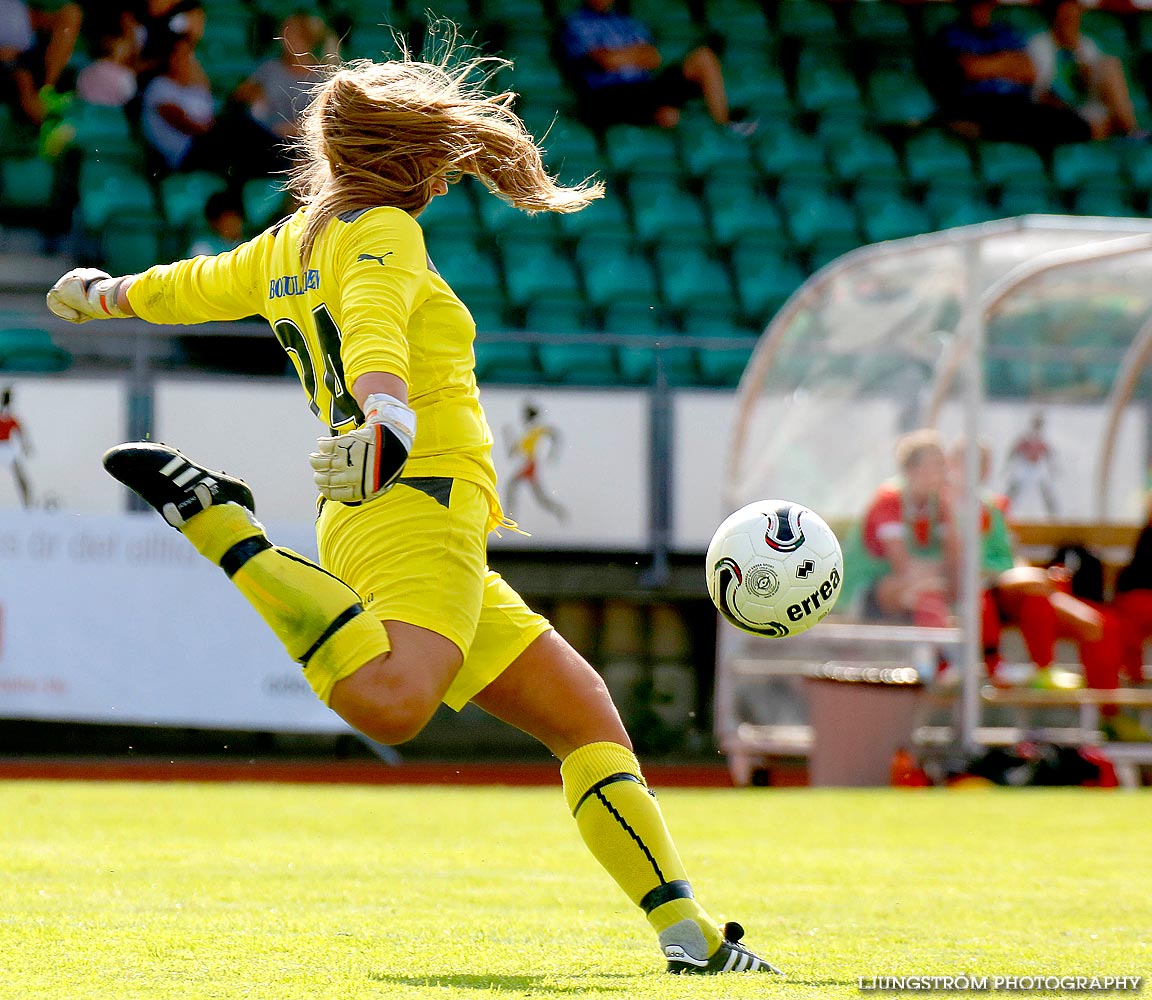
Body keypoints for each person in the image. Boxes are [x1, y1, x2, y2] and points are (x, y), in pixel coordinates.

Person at [46, 30, 778, 977]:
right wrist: (386, 417)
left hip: (387, 512)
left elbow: (187, 287)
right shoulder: (384, 230)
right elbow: (376, 325)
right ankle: (227, 530)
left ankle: (691, 943)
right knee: (392, 703)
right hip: (410, 493)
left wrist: (103, 295)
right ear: (406, 159)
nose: (443, 170)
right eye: (435, 152)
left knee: (583, 714)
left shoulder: (287, 246)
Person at [559, 0, 753, 134]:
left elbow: (653, 58)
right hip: (608, 93)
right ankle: (657, 113)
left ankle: (724, 123)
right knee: (667, 114)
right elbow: (605, 62)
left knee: (704, 57)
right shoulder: (577, 23)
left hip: (643, 87)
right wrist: (633, 55)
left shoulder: (627, 22)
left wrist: (619, 56)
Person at [928, 0, 1090, 146]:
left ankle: (985, 130)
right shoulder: (952, 34)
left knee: (1077, 126)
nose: (982, 11)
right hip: (979, 101)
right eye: (977, 6)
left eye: (986, 6)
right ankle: (979, 128)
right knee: (992, 116)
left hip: (1016, 102)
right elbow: (968, 69)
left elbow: (1029, 71)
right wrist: (1006, 62)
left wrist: (987, 64)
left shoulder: (1006, 32)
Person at [841, 429, 958, 628]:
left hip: (916, 589)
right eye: (935, 464)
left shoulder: (939, 505)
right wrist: (938, 571)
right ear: (911, 469)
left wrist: (950, 509)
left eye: (943, 464)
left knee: (935, 592)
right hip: (863, 594)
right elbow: (904, 567)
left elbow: (955, 566)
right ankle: (939, 651)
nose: (943, 472)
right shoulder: (889, 500)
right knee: (918, 590)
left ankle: (939, 653)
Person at [1028, 0, 1144, 141]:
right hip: (1055, 111)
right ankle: (1123, 130)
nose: (1070, 23)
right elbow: (1044, 92)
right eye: (1066, 17)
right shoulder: (1039, 44)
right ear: (1055, 19)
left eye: (1075, 18)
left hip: (1086, 106)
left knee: (1110, 64)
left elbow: (1093, 91)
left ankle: (1130, 129)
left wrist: (1078, 56)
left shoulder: (1086, 44)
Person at [0, 0, 82, 125]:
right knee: (23, 79)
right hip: (18, 61)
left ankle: (47, 91)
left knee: (72, 14)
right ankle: (44, 100)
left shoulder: (25, 42)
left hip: (28, 54)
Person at [504, 401, 566, 522]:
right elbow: (514, 451)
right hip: (527, 463)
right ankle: (557, 510)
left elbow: (554, 434)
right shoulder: (529, 431)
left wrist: (552, 453)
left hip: (528, 464)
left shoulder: (536, 429)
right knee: (539, 497)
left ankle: (509, 517)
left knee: (512, 487)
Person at [0, 386, 33, 508]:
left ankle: (28, 504)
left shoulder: (9, 417)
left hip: (7, 448)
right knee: (19, 476)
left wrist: (26, 446)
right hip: (3, 446)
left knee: (20, 476)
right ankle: (27, 503)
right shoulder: (7, 416)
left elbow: (20, 430)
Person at [186, 189, 244, 257]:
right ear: (215, 223)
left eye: (236, 216)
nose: (234, 223)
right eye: (227, 219)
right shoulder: (202, 249)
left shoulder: (248, 244)